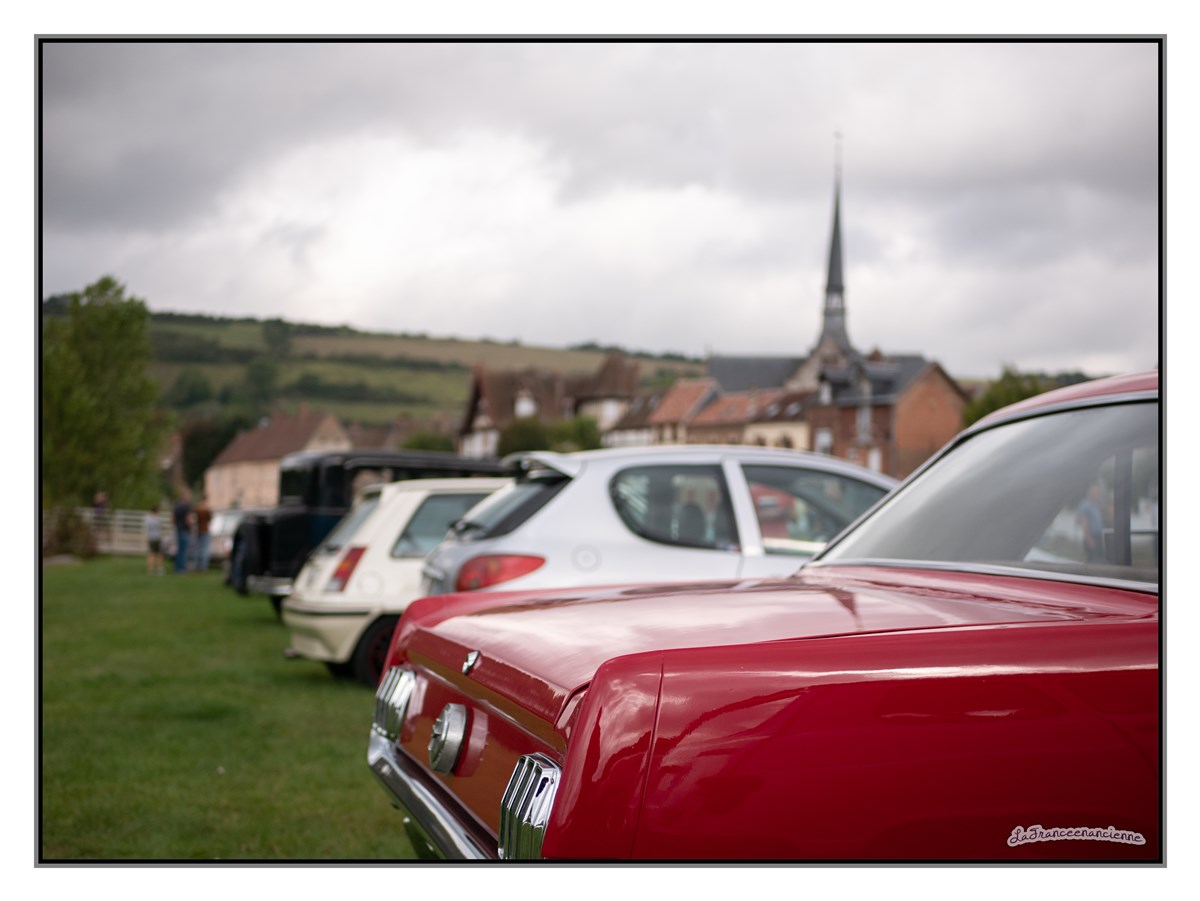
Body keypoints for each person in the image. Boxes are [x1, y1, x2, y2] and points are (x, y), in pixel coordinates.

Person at [1077, 482, 1106, 563]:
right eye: (1094, 491)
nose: (1097, 493)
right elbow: (1084, 523)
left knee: (1099, 560)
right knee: (1092, 561)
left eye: (1098, 492)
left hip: (1099, 536)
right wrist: (1089, 539)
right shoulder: (1085, 505)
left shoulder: (1096, 505)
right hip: (1091, 537)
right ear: (1090, 492)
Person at [172, 488, 193, 574]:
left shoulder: (176, 506)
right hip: (184, 530)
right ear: (185, 497)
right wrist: (190, 526)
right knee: (184, 550)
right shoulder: (187, 506)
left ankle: (177, 568)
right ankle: (183, 568)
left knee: (179, 549)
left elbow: (172, 519)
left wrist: (177, 525)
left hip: (178, 530)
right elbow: (188, 519)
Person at [193, 497, 213, 572]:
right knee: (205, 550)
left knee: (198, 549)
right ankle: (203, 566)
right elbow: (210, 518)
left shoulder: (197, 511)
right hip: (205, 531)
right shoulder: (206, 511)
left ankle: (197, 565)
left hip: (199, 531)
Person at [145, 505, 164, 575]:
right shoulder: (158, 518)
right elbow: (160, 528)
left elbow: (147, 528)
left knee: (151, 554)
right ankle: (160, 568)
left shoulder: (147, 518)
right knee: (159, 554)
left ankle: (150, 569)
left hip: (151, 538)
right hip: (157, 537)